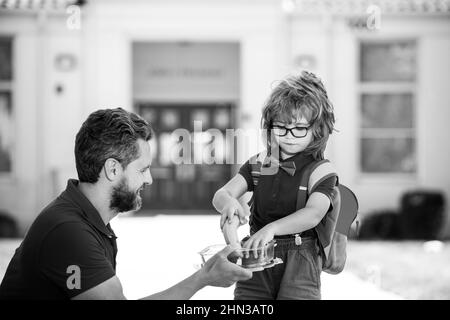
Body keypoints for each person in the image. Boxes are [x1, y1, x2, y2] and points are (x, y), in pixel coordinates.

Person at [0, 108, 253, 300]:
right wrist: (203, 278)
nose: (150, 179)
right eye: (142, 169)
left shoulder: (85, 219)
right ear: (112, 169)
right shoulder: (68, 231)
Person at [212, 71, 337, 300]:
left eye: (299, 128)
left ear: (317, 129)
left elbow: (313, 214)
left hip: (300, 260)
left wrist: (270, 229)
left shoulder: (320, 170)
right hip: (255, 256)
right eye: (281, 127)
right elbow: (222, 193)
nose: (289, 136)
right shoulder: (259, 163)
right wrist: (229, 203)